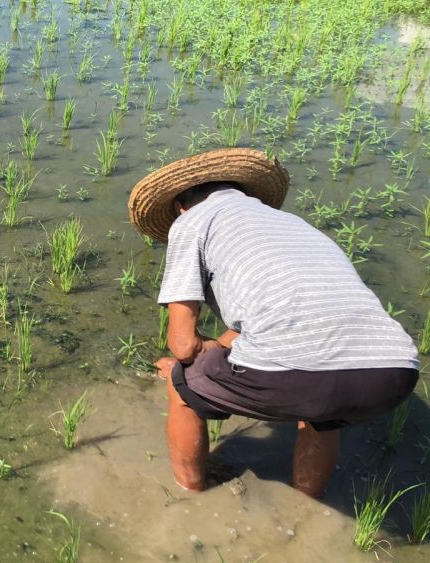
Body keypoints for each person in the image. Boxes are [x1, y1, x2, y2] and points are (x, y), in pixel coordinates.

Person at [127, 148, 419, 497]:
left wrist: (190, 362)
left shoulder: (192, 223)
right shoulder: (293, 225)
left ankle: (189, 495)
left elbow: (183, 344)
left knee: (181, 387)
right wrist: (216, 350)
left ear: (181, 206)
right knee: (319, 410)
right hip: (395, 370)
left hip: (300, 375)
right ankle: (307, 502)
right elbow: (277, 318)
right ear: (245, 191)